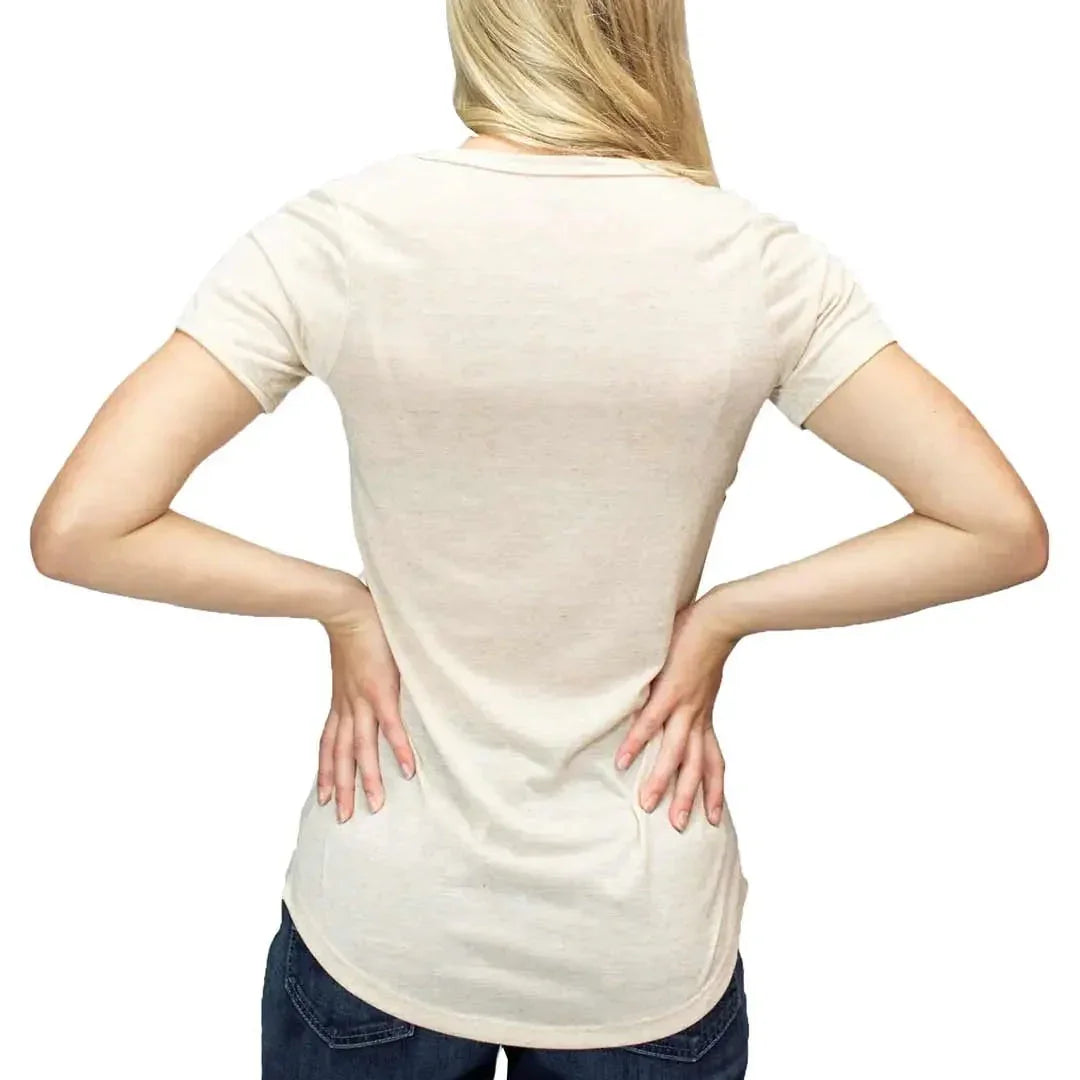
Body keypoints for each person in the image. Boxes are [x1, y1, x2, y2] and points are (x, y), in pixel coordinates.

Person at [29, 1, 1049, 1077]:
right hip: (636, 933)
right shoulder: (756, 262)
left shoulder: (339, 235)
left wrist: (339, 604)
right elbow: (996, 528)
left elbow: (85, 526)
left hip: (387, 910)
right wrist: (724, 619)